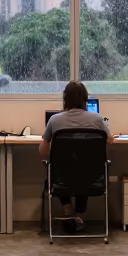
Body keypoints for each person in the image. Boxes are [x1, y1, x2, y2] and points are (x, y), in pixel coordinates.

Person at [39, 80, 113, 232]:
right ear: (86, 99)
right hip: (91, 178)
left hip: (62, 179)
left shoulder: (55, 119)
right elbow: (110, 140)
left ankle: (67, 206)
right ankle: (78, 213)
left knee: (65, 168)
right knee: (84, 166)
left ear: (65, 99)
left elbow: (43, 151)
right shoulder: (97, 119)